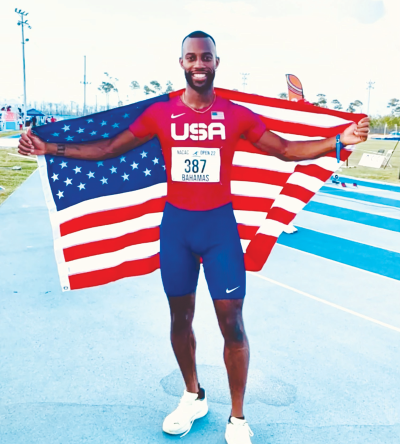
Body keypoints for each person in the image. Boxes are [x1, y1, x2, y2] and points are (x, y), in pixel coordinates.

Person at [18, 31, 370, 444]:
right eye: (191, 58)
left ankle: (237, 419)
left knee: (232, 326)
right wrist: (49, 147)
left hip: (220, 231)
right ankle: (193, 395)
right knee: (179, 320)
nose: (199, 64)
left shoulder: (235, 115)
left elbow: (286, 151)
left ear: (216, 63)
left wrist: (338, 142)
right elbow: (109, 148)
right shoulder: (161, 115)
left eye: (206, 57)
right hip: (177, 232)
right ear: (181, 63)